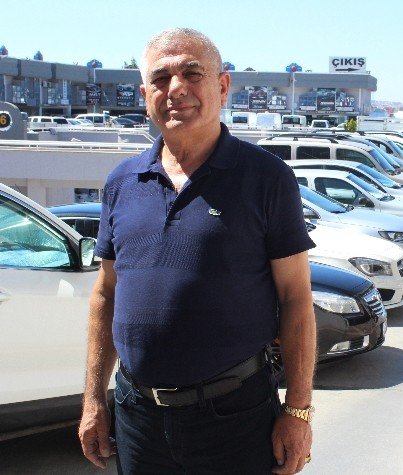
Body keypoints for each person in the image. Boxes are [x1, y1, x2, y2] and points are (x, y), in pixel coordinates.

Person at [78, 28, 317, 474]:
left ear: (222, 87)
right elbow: (106, 294)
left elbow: (296, 299)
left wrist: (298, 410)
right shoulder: (122, 182)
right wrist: (94, 400)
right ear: (145, 94)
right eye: (160, 78)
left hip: (235, 418)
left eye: (192, 73)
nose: (176, 89)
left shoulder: (266, 178)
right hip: (138, 419)